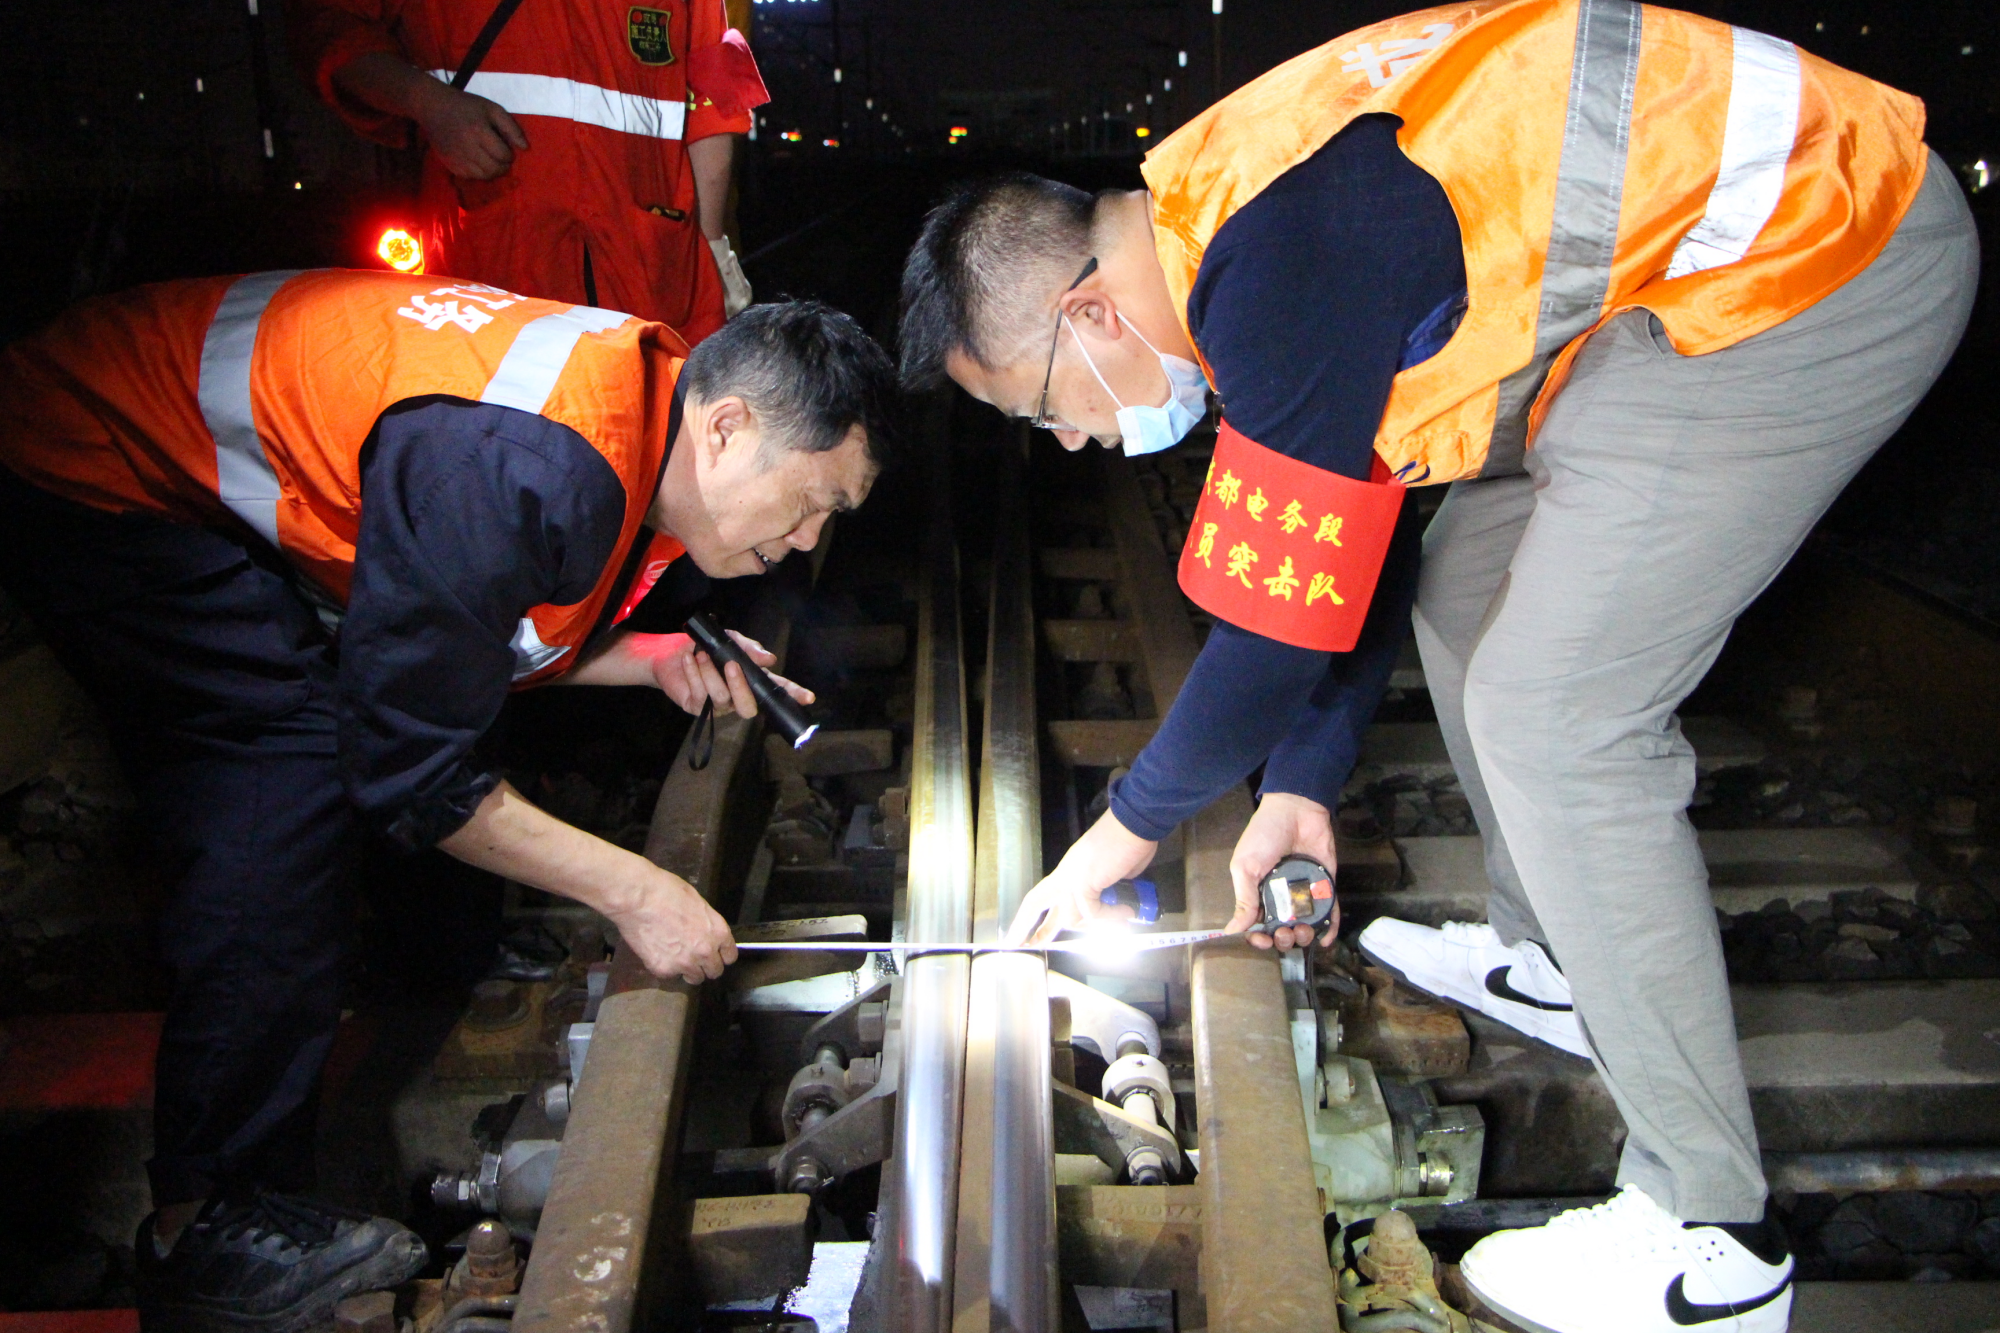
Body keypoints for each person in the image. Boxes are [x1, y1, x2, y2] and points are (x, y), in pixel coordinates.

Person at [896, 2, 1977, 1329]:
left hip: (1817, 259)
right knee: (1471, 588)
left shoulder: (1273, 258)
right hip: (1658, 299)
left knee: (1555, 717)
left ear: (1090, 313)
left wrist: (1121, 834)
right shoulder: (1217, 218)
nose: (1066, 442)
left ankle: (1715, 1240)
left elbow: (1279, 630)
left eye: (1039, 407)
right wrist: (1299, 780)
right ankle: (1557, 963)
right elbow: (1362, 539)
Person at [0, 269, 897, 1330]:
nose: (803, 542)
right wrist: (634, 890)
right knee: (275, 772)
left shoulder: (633, 416)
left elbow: (461, 627)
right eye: (811, 503)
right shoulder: (525, 464)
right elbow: (409, 765)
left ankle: (322, 1093)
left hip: (166, 458)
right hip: (96, 461)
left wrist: (641, 657)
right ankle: (203, 1223)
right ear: (727, 426)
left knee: (321, 733)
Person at [292, 0, 768, 343]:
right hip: (494, 265)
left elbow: (712, 92)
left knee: (657, 454)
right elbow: (333, 30)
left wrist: (712, 250)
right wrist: (429, 105)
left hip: (651, 270)